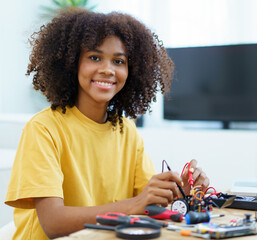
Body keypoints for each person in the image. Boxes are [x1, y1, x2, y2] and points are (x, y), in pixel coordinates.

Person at [5, 8, 210, 240]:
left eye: (119, 61)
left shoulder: (127, 131)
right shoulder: (43, 129)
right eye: (94, 57)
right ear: (73, 64)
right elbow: (54, 223)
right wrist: (137, 203)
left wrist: (180, 193)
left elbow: (147, 205)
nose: (107, 69)